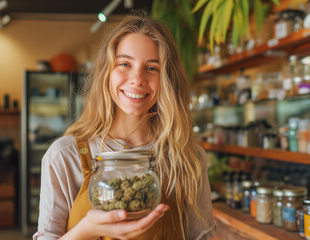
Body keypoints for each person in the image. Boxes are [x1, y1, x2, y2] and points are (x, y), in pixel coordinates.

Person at [33, 12, 216, 240]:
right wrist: (88, 229)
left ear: (168, 80)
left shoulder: (187, 157)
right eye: (124, 64)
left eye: (152, 68)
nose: (137, 78)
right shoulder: (65, 155)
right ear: (106, 73)